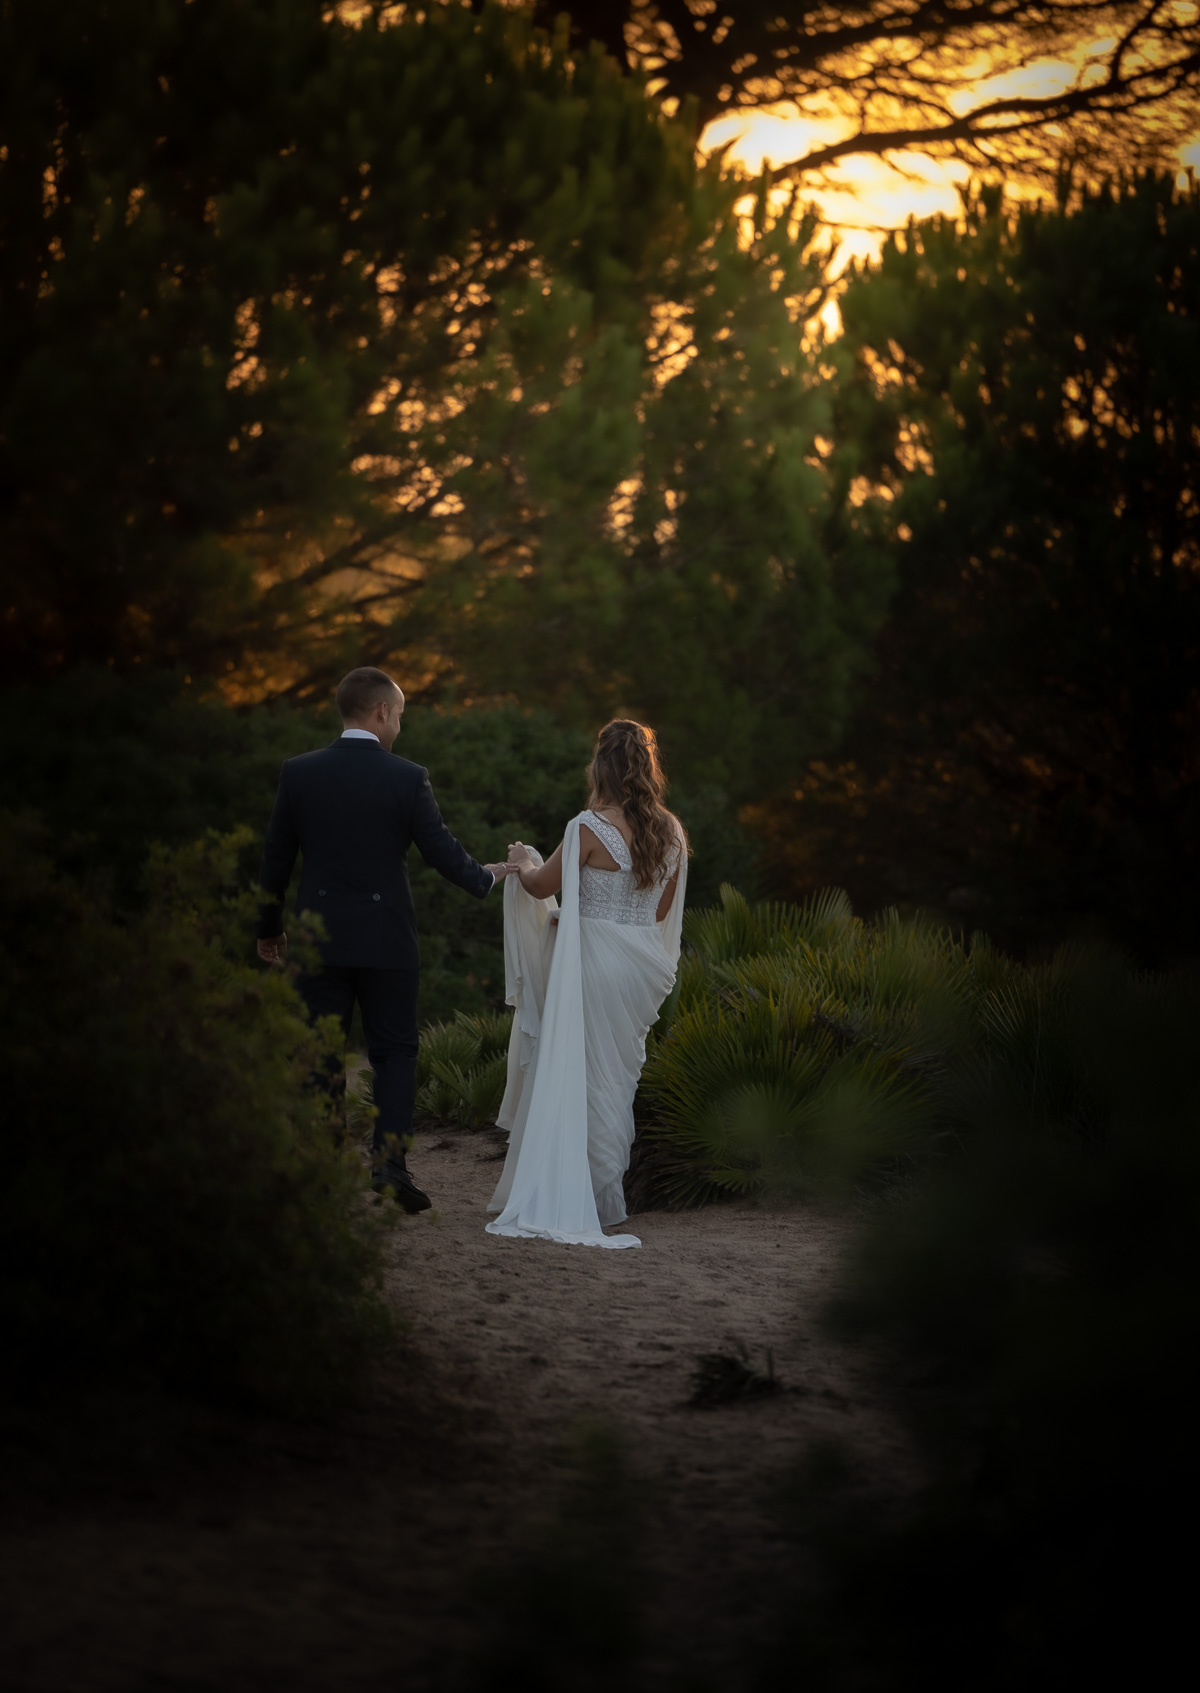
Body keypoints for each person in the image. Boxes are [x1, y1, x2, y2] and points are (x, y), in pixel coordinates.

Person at [256, 667, 512, 1212]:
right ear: (380, 712)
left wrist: (268, 928)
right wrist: (485, 878)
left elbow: (275, 858)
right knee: (395, 1051)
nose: (399, 726)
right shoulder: (406, 776)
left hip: (318, 938)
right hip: (387, 939)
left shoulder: (299, 772)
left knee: (319, 1049)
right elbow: (440, 849)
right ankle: (390, 1165)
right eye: (399, 715)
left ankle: (322, 1167)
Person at [486, 719, 689, 1249]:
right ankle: (604, 1199)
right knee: (615, 1079)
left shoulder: (587, 827)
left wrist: (522, 861)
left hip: (593, 963)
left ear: (601, 767)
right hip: (640, 966)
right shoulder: (672, 832)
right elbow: (658, 912)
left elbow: (541, 886)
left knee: (581, 1073)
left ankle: (577, 1196)